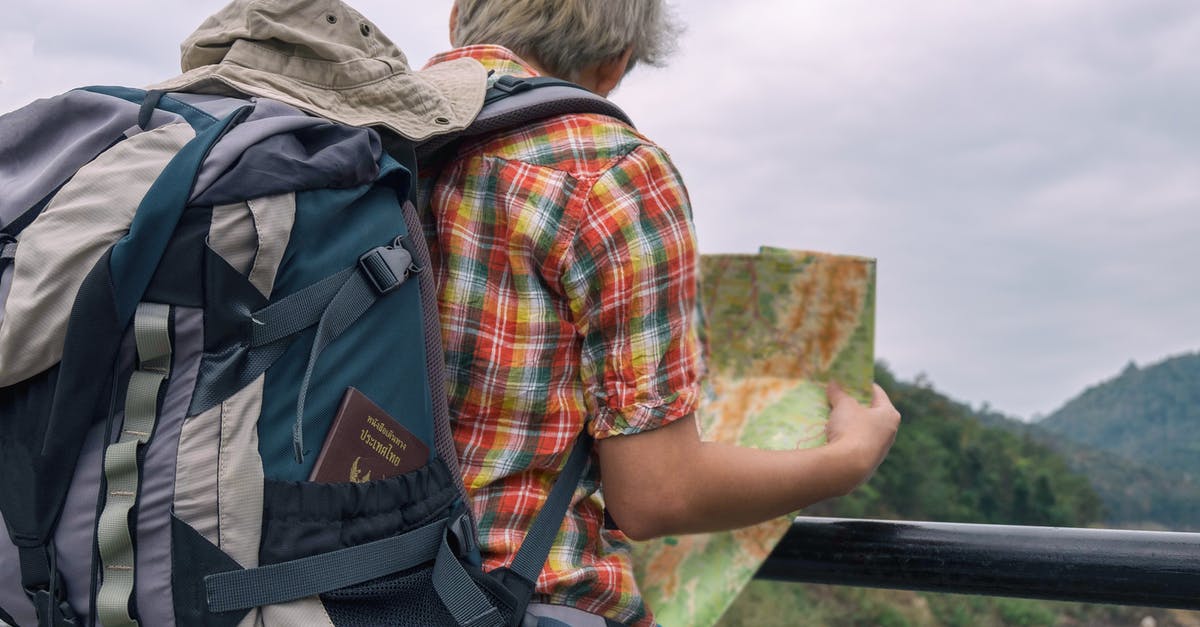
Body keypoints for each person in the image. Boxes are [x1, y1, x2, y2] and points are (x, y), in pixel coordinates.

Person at [421, 1, 903, 625]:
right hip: (507, 596)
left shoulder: (361, 139)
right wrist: (843, 463)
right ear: (615, 62)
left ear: (458, 17)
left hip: (330, 590)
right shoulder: (613, 172)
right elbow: (655, 494)